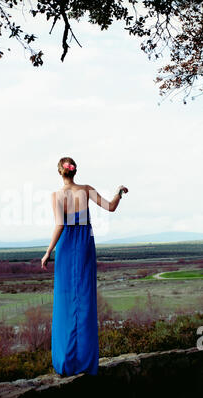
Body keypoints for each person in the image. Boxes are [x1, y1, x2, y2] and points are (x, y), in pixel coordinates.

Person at [41, 157, 128, 377]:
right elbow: (111, 207)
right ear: (74, 171)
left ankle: (66, 361)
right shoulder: (86, 190)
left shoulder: (56, 196)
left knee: (65, 300)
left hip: (66, 245)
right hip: (85, 243)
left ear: (60, 173)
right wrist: (119, 192)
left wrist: (48, 251)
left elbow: (60, 224)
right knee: (86, 298)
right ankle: (86, 362)